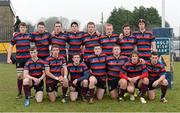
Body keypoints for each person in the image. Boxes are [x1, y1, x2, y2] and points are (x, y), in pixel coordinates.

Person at [7, 22, 31, 99]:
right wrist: (8, 58)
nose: (23, 28)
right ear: (19, 28)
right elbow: (10, 47)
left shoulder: (29, 36)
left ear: (26, 28)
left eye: (24, 27)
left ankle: (28, 93)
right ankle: (20, 93)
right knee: (20, 76)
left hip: (28, 60)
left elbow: (38, 36)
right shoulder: (16, 36)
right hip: (19, 60)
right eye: (21, 27)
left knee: (27, 76)